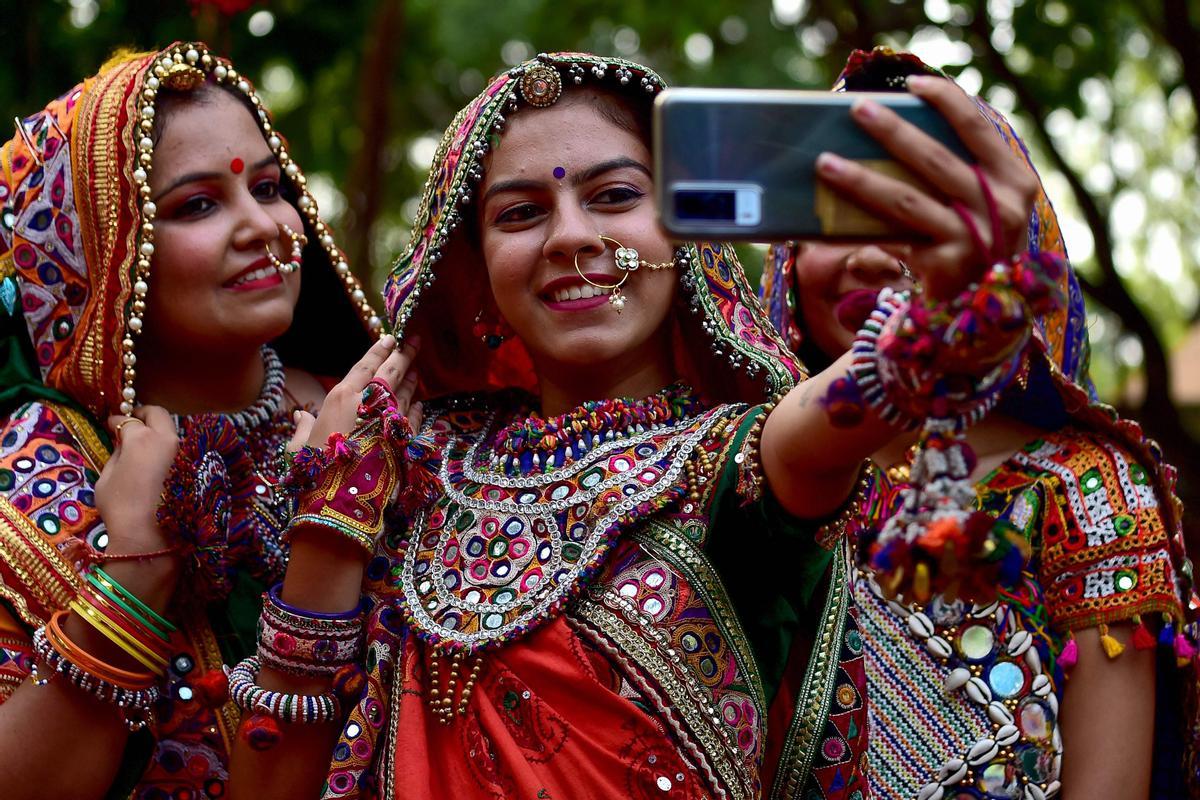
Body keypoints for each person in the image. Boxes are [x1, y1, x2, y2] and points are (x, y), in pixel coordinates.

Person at [226, 51, 1053, 799]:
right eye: (520, 214)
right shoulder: (403, 470)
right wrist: (332, 531)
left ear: (689, 234)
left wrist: (961, 302)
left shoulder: (733, 463)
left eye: (615, 196)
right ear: (475, 273)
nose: (573, 237)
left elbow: (858, 397)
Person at [761, 47, 1200, 800]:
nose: (870, 254)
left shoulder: (1085, 489)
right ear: (787, 254)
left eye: (919, 210)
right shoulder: (738, 473)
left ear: (1006, 240)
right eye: (837, 213)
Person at [0, 42, 378, 798]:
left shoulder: (370, 412)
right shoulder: (31, 475)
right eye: (197, 204)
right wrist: (135, 569)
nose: (264, 226)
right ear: (96, 249)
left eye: (268, 188)